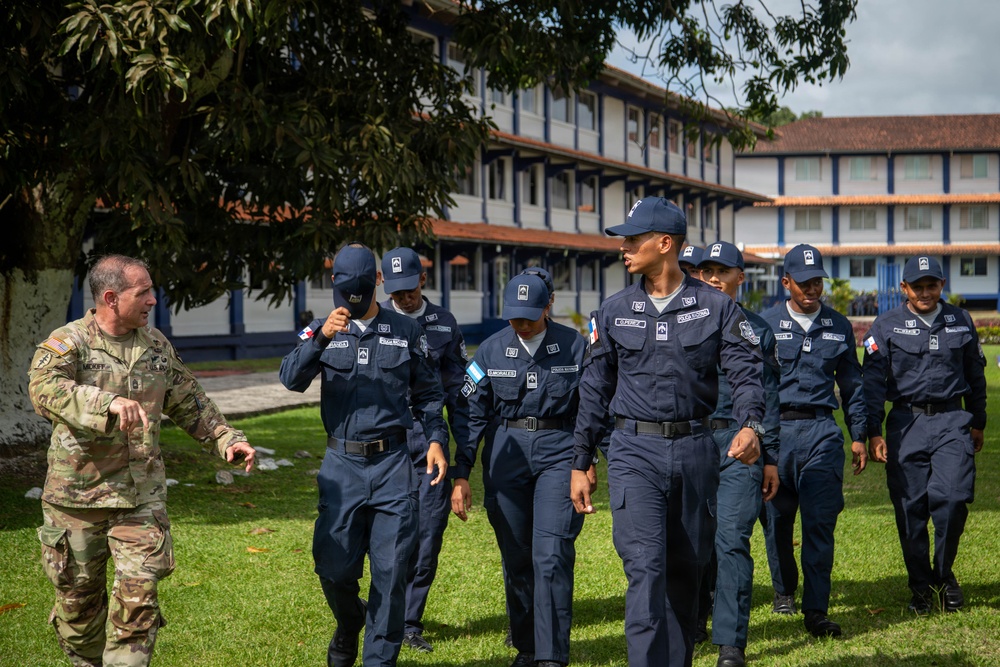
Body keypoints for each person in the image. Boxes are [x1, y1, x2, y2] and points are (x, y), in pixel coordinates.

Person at [28, 254, 256, 667]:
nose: (153, 299)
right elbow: (44, 389)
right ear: (111, 297)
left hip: (140, 499)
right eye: (144, 291)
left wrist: (226, 439)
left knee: (139, 604)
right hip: (77, 501)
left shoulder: (156, 346)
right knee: (78, 612)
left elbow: (190, 402)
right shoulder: (69, 342)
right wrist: (106, 402)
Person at [571, 197, 766, 667]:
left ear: (665, 244)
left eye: (633, 239)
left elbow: (746, 373)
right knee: (645, 569)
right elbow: (595, 389)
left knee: (686, 571)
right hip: (634, 451)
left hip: (697, 450)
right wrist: (581, 462)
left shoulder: (716, 308)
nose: (624, 247)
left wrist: (751, 425)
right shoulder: (614, 311)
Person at [279, 243, 449, 667]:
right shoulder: (321, 328)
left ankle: (378, 660)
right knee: (334, 569)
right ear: (333, 286)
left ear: (377, 282)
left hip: (394, 466)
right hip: (342, 466)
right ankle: (350, 622)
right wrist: (321, 338)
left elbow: (429, 393)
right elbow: (290, 379)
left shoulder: (406, 332)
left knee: (391, 576)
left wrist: (434, 439)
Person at [451, 273, 589, 667]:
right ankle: (527, 648)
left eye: (530, 315)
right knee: (517, 557)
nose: (522, 323)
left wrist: (587, 461)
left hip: (558, 452)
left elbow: (590, 408)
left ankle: (551, 656)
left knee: (552, 554)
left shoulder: (574, 346)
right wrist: (462, 473)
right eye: (514, 316)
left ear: (549, 306)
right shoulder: (490, 351)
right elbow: (470, 415)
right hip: (506, 455)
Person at [861, 256, 987, 614]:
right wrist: (873, 431)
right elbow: (871, 384)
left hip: (952, 421)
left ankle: (945, 575)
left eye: (932, 285)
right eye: (918, 286)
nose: (925, 292)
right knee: (910, 509)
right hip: (906, 424)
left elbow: (975, 375)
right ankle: (921, 586)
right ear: (904, 289)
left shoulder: (961, 321)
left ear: (942, 285)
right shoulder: (885, 326)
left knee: (952, 499)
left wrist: (979, 420)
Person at [758, 244, 867, 638]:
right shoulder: (765, 324)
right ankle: (784, 588)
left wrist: (859, 435)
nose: (812, 289)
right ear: (786, 282)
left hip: (821, 433)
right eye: (804, 283)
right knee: (777, 523)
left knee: (820, 523)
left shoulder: (839, 326)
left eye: (817, 281)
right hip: (777, 435)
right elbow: (754, 386)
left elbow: (852, 385)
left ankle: (816, 609)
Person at [379, 247, 470, 653]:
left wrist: (463, 457)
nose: (405, 298)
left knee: (429, 534)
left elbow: (459, 393)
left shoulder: (444, 324)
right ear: (385, 286)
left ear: (422, 279)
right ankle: (384, 615)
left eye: (410, 288)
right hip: (390, 446)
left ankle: (410, 622)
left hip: (432, 444)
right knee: (391, 537)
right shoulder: (378, 323)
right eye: (396, 292)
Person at [697, 242, 781, 667]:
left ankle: (731, 644)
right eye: (705, 270)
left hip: (738, 444)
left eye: (722, 271)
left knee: (731, 541)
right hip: (688, 442)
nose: (712, 278)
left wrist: (769, 457)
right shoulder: (679, 322)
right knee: (689, 540)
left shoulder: (758, 329)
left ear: (739, 278)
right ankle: (694, 619)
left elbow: (769, 395)